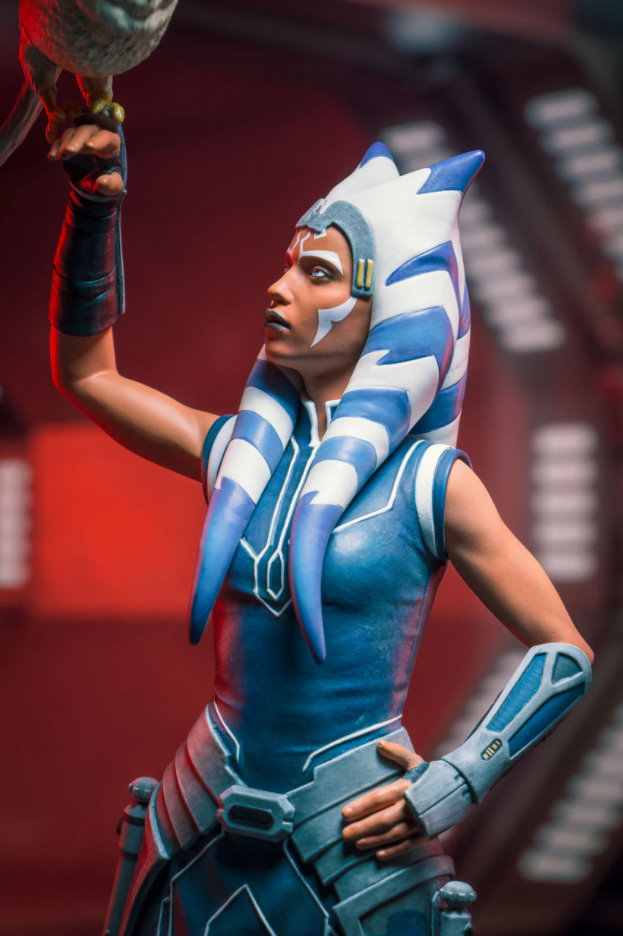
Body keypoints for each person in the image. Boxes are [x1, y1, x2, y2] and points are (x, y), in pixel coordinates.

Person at [48, 119, 593, 936]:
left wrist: (457, 779)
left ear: (390, 310)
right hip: (197, 815)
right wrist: (93, 211)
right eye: (287, 264)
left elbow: (563, 653)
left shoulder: (431, 485)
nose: (279, 289)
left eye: (318, 274)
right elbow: (88, 375)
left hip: (349, 843)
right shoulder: (233, 451)